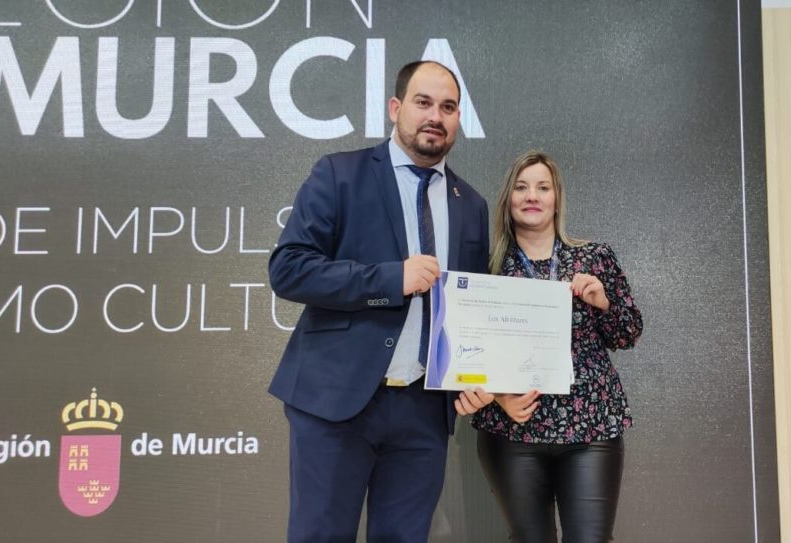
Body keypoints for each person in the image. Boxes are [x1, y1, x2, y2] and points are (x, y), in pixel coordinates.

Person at [268, 60, 493, 543]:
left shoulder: (471, 204)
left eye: (448, 107)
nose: (435, 116)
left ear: (458, 119)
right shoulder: (340, 173)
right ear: (395, 108)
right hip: (336, 402)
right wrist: (392, 278)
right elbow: (289, 269)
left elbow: (469, 309)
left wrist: (474, 379)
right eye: (423, 102)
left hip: (424, 411)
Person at [471, 151, 643, 543]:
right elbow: (470, 348)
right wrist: (498, 395)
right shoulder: (488, 267)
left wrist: (603, 303)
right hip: (513, 429)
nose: (532, 196)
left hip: (590, 428)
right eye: (521, 187)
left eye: (543, 188)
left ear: (557, 198)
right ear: (508, 199)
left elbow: (628, 333)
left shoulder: (594, 258)